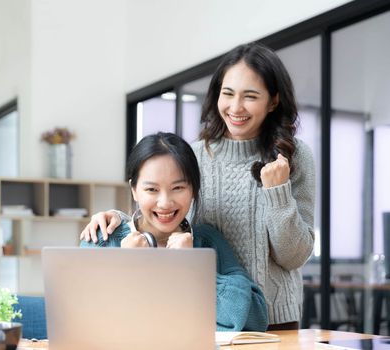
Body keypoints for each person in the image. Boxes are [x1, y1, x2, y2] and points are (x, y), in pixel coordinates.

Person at [81, 42, 315, 330]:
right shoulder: (196, 155)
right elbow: (170, 219)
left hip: (272, 316)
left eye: (250, 96)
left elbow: (294, 256)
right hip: (207, 315)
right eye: (227, 94)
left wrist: (277, 193)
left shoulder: (292, 156)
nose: (236, 107)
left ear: (273, 100)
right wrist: (120, 220)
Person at [81, 132, 268, 332]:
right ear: (134, 190)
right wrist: (125, 266)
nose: (165, 203)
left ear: (193, 190)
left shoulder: (207, 241)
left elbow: (257, 320)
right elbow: (81, 322)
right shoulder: (102, 238)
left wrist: (193, 267)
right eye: (152, 190)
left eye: (177, 187)